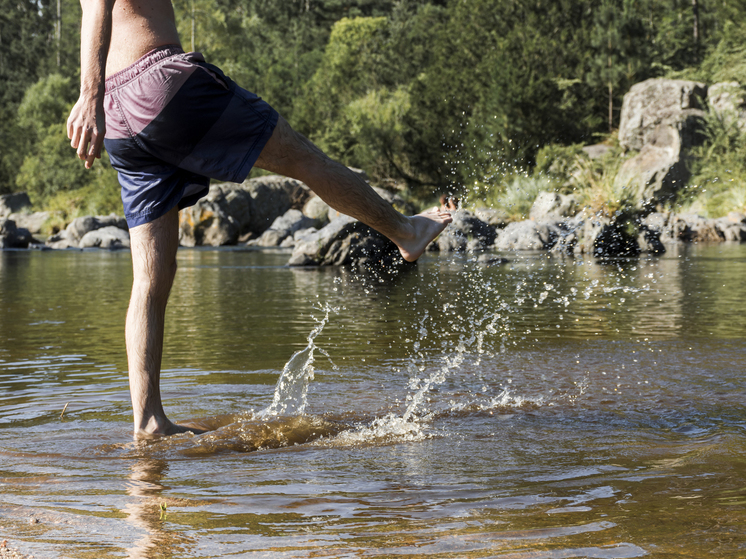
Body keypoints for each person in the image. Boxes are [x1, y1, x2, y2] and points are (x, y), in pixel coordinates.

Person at [67, 0, 452, 439]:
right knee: (306, 159)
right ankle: (407, 231)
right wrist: (88, 94)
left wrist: (98, 97)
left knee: (149, 279)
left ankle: (149, 420)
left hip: (119, 116)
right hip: (157, 84)